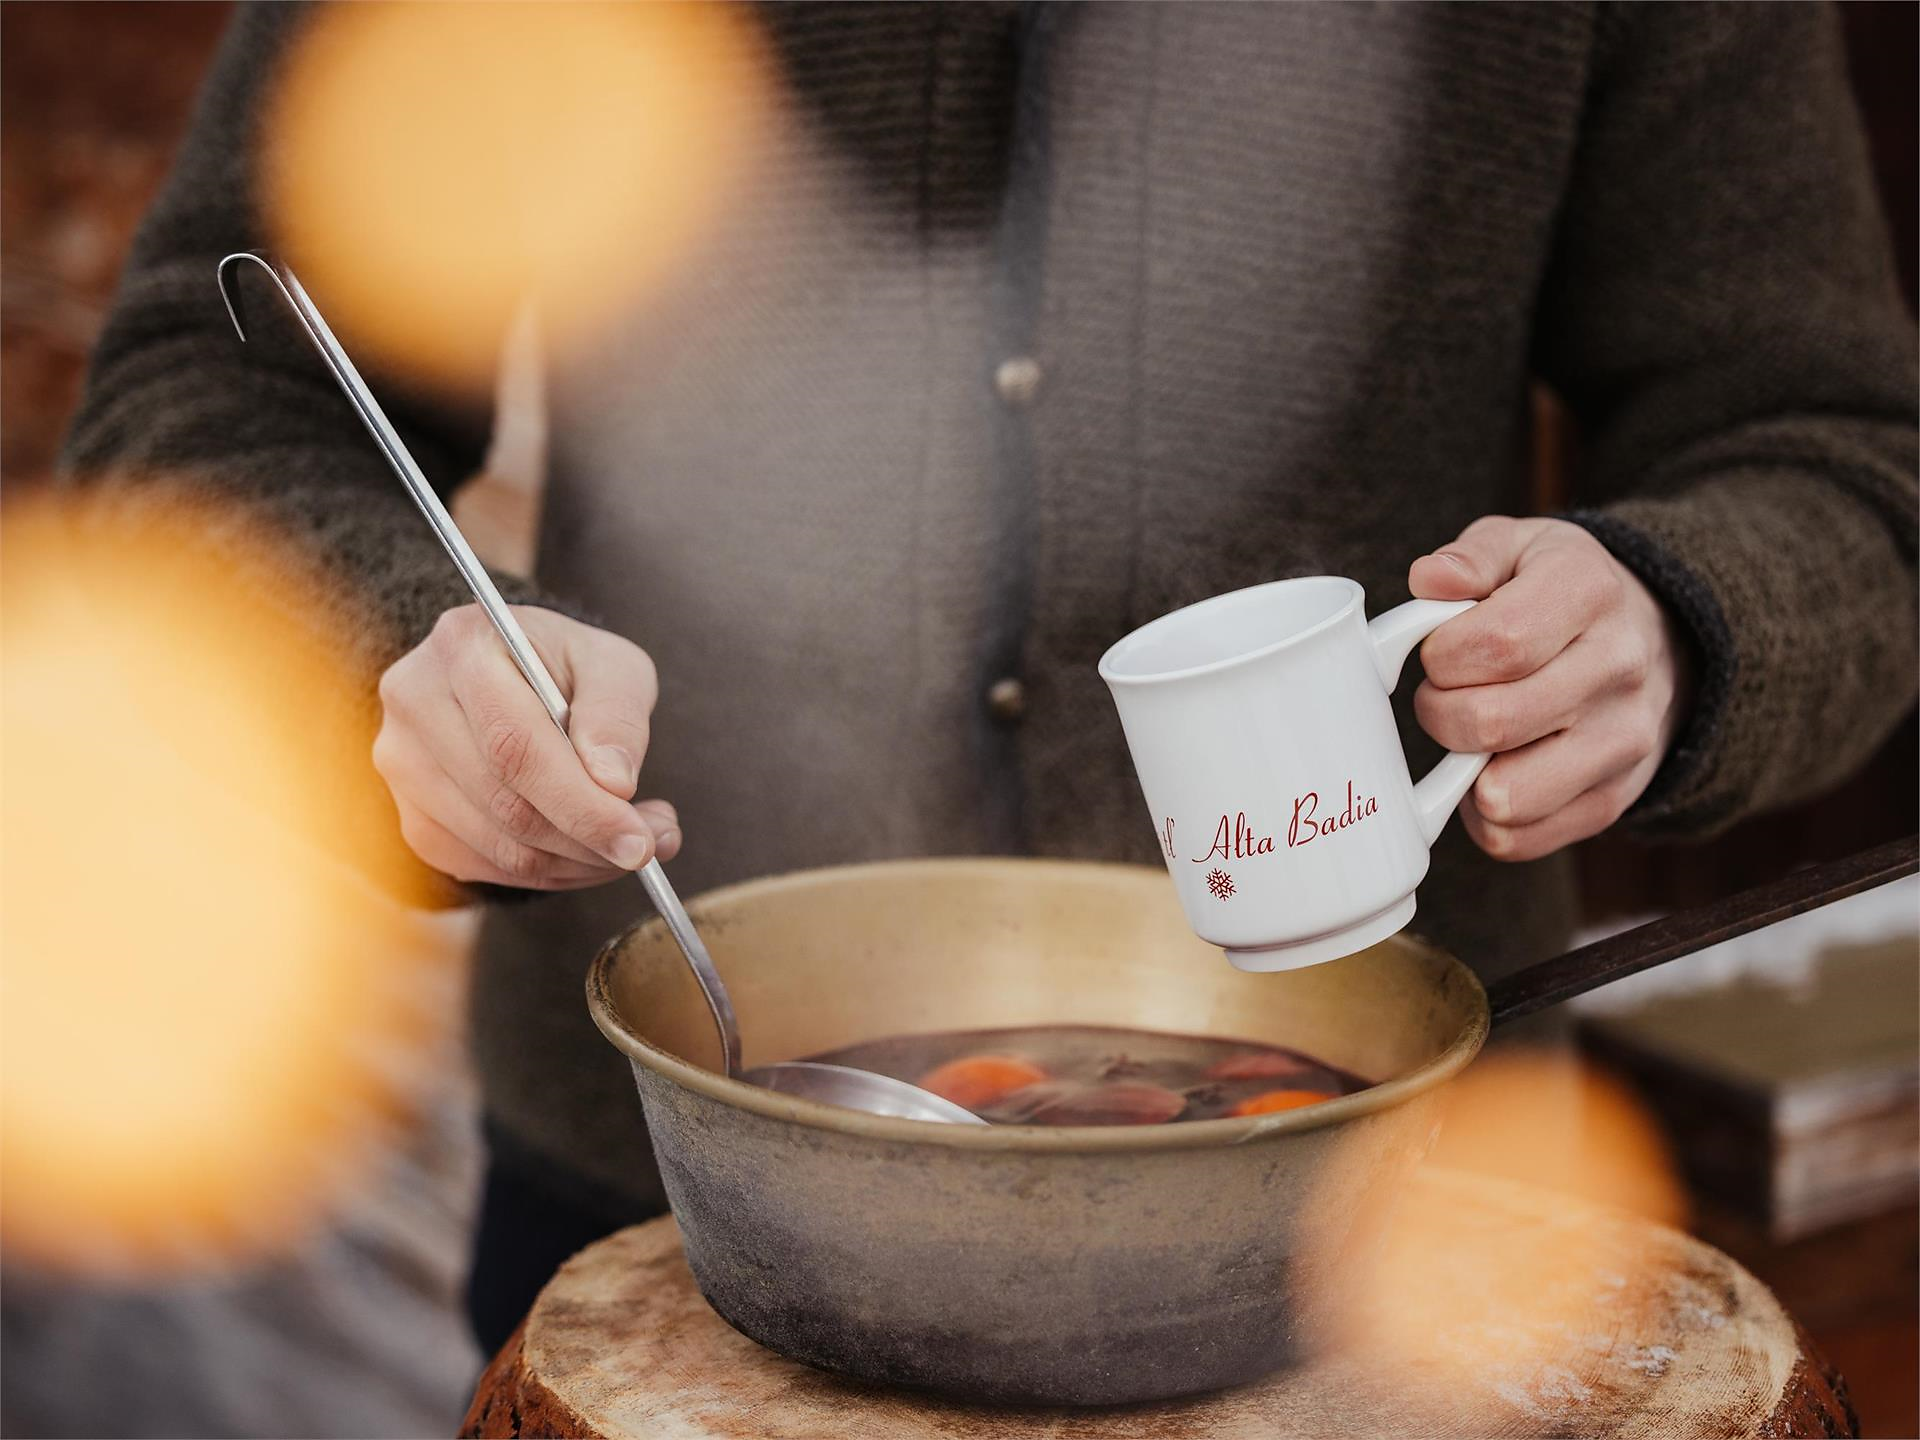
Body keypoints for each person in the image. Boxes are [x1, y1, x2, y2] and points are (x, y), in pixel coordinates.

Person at [63, 2, 1917, 1356]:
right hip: (684, 1197)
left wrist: (1686, 623)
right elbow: (207, 396)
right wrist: (393, 641)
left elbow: (1841, 454)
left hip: (1402, 1217)